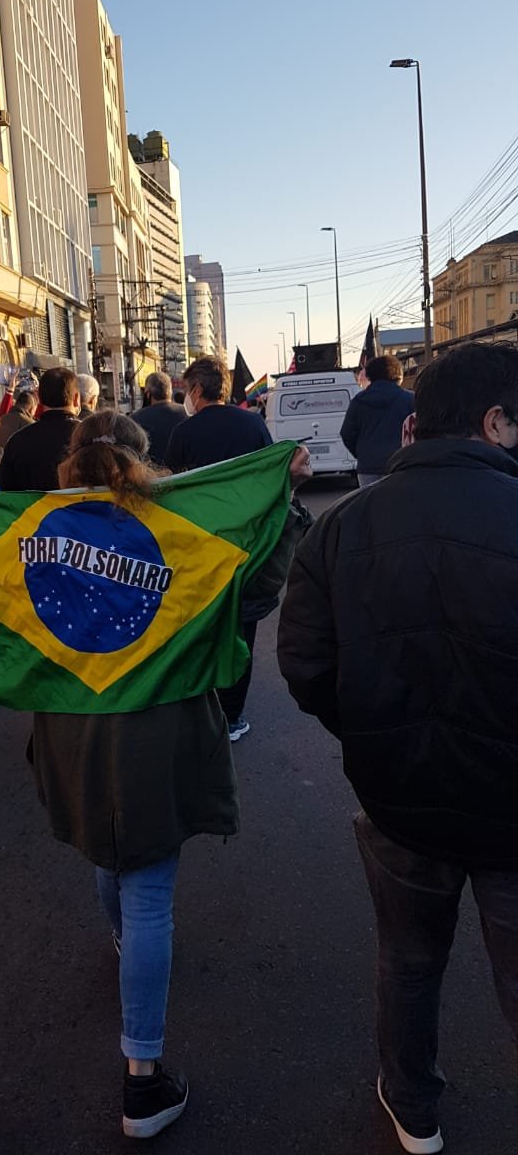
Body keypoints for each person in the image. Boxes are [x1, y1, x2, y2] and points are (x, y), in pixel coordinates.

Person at [26, 409, 306, 1138]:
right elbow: (250, 595)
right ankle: (141, 1083)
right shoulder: (181, 534)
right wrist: (282, 504)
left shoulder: (28, 531)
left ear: (71, 459)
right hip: (160, 721)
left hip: (72, 722)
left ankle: (123, 948)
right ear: (147, 460)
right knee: (150, 891)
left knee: (104, 843)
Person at [277, 342, 518, 1155]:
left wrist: (373, 730)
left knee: (409, 962)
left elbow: (305, 663)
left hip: (398, 800)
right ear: (495, 422)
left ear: (415, 425)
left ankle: (413, 1107)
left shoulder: (342, 528)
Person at [165, 356, 273, 741]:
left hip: (198, 545)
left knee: (201, 626)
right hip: (246, 544)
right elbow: (270, 477)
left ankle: (202, 705)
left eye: (186, 390)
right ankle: (233, 716)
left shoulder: (184, 433)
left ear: (196, 390)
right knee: (243, 628)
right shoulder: (254, 424)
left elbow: (171, 491)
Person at [0, 366, 80, 492]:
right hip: (80, 510)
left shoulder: (17, 441)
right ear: (76, 399)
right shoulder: (90, 436)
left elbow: (8, 491)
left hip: (32, 511)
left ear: (40, 400)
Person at [340, 354, 415, 486]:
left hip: (368, 466)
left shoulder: (358, 401)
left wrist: (362, 453)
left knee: (371, 505)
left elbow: (346, 433)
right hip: (401, 464)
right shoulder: (409, 400)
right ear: (397, 375)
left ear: (370, 375)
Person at [131, 372, 186, 466]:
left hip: (150, 475)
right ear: (170, 391)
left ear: (148, 394)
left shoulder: (136, 418)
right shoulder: (187, 413)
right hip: (184, 475)